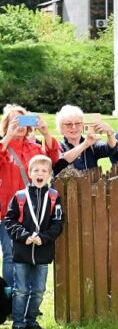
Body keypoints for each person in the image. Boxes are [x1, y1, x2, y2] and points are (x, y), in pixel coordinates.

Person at [0, 105, 61, 288]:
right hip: (8, 211)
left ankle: (30, 299)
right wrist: (8, 137)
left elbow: (53, 160)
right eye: (14, 122)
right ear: (6, 124)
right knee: (11, 255)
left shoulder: (34, 147)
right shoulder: (3, 145)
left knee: (33, 253)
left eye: (23, 121)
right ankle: (12, 300)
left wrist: (45, 132)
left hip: (34, 211)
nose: (19, 126)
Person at [4, 154, 64, 329]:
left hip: (43, 251)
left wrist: (44, 238)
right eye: (36, 170)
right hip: (22, 252)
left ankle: (31, 321)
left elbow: (58, 223)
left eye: (44, 170)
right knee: (20, 290)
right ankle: (18, 323)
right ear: (29, 173)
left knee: (38, 290)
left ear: (50, 175)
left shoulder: (54, 197)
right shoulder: (19, 196)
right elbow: (9, 220)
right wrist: (24, 236)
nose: (40, 173)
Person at [53, 105, 117, 174]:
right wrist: (84, 145)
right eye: (69, 124)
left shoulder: (91, 145)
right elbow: (60, 162)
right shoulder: (58, 146)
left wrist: (110, 133)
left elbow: (110, 149)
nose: (74, 127)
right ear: (61, 127)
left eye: (78, 123)